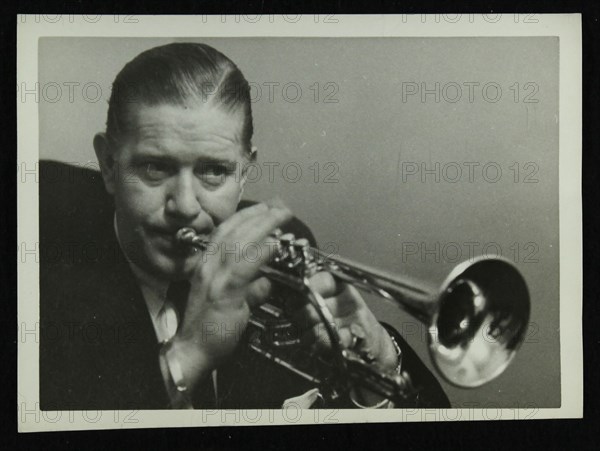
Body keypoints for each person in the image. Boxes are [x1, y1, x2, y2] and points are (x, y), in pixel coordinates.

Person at [40, 42, 450, 410]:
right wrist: (190, 354)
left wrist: (378, 366)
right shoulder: (39, 252)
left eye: (214, 171)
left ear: (244, 173)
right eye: (155, 167)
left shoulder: (276, 247)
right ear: (108, 166)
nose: (184, 206)